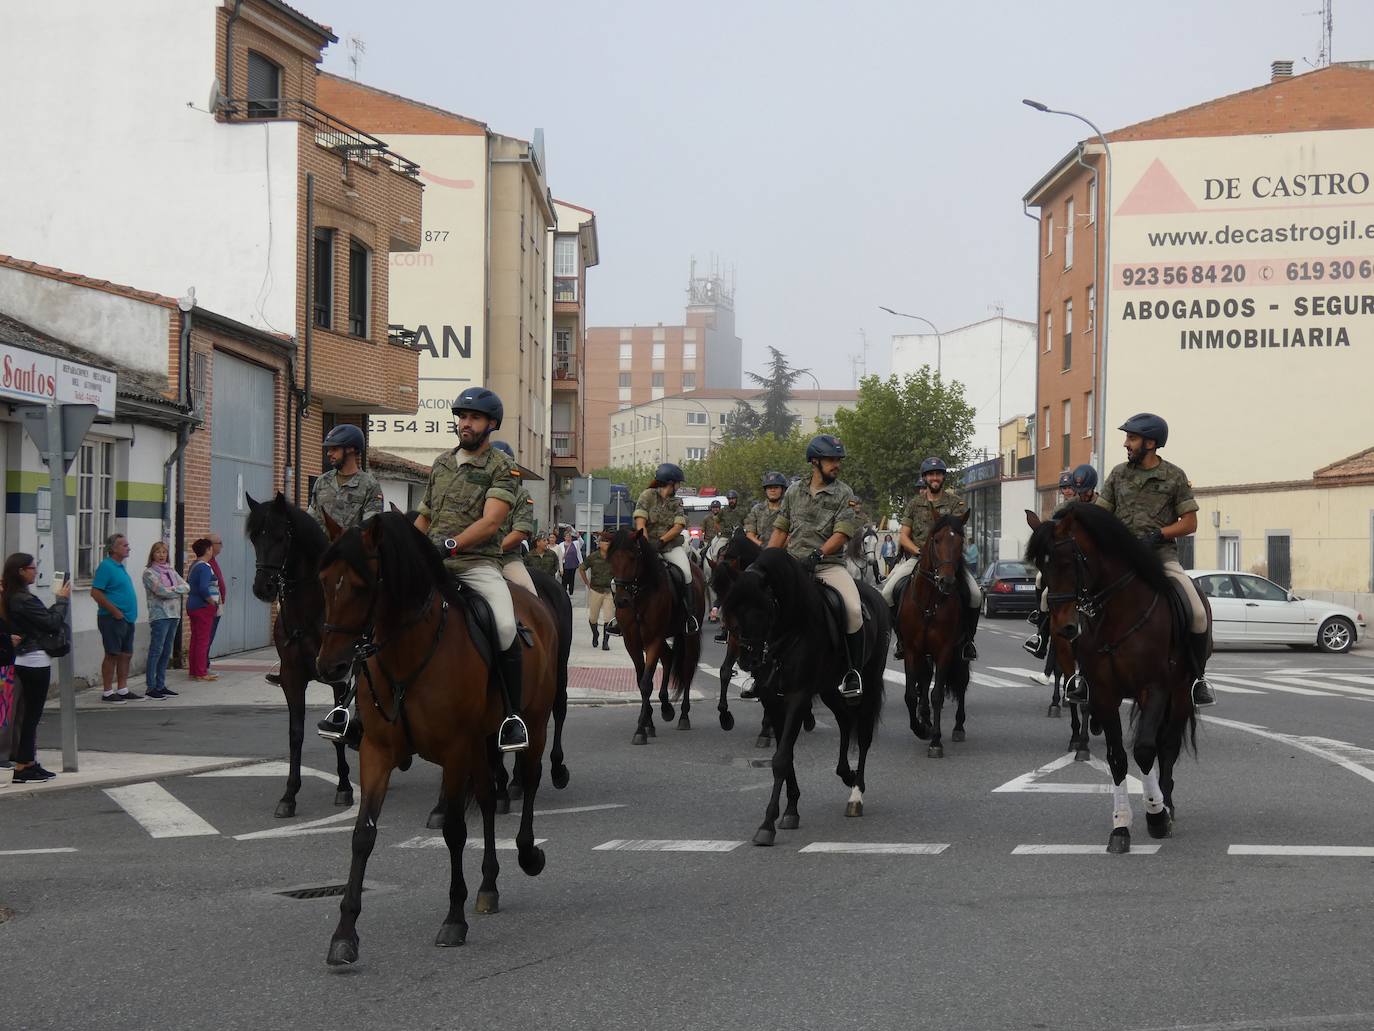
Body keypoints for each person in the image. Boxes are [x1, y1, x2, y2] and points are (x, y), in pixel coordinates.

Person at [412, 386, 528, 751]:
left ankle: (511, 715)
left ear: (491, 424)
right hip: (433, 563)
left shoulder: (501, 468)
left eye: (474, 418)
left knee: (507, 626)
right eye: (462, 417)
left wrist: (452, 544)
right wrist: (413, 549)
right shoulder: (442, 463)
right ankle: (355, 708)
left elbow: (493, 522)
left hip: (476, 564)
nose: (465, 423)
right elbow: (425, 516)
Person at [1094, 413, 1214, 707]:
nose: (1126, 444)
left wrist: (1158, 534)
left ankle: (1198, 678)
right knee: (1079, 604)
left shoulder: (1174, 476)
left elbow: (1189, 523)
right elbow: (1099, 515)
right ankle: (1083, 677)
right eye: (1127, 438)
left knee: (1197, 613)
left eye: (1131, 439)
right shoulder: (1118, 474)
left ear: (1150, 443)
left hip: (1160, 557)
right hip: (1119, 560)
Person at [767, 435, 865, 698]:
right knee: (761, 604)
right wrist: (765, 562)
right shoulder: (793, 492)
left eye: (838, 460)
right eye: (832, 460)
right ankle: (763, 669)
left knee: (854, 611)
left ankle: (851, 672)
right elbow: (780, 530)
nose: (837, 465)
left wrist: (818, 555)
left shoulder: (845, 494)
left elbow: (842, 533)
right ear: (815, 461)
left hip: (827, 566)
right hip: (792, 565)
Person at [880, 457, 982, 661]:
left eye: (938, 474)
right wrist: (917, 551)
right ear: (925, 478)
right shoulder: (914, 504)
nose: (935, 478)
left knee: (975, 595)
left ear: (943, 477)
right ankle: (901, 639)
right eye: (931, 474)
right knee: (887, 593)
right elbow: (904, 535)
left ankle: (968, 641)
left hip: (948, 562)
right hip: (918, 558)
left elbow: (957, 533)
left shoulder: (956, 503)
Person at [5, 553, 70, 781]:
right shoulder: (22, 599)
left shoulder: (12, 596)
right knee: (31, 715)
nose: (36, 571)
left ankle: (28, 762)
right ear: (21, 571)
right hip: (33, 661)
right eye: (33, 568)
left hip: (23, 658)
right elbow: (50, 622)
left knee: (27, 716)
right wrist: (61, 600)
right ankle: (23, 766)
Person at [1025, 465, 1100, 663]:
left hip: (1095, 564)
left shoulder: (1103, 505)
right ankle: (1041, 636)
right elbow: (1054, 536)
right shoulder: (1063, 508)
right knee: (1043, 588)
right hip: (1071, 564)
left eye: (1086, 491)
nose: (1082, 495)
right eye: (1079, 491)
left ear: (1093, 488)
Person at [633, 463, 699, 633]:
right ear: (670, 483)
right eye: (678, 483)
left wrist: (661, 542)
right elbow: (640, 522)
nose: (679, 486)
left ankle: (689, 616)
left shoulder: (677, 501)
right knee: (623, 573)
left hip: (669, 546)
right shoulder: (647, 495)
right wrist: (647, 546)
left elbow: (678, 526)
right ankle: (621, 616)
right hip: (646, 544)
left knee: (686, 573)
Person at [90, 533, 141, 701]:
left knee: (126, 654)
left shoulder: (120, 567)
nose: (128, 548)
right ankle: (107, 691)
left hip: (127, 618)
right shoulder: (106, 566)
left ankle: (123, 688)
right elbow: (96, 592)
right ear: (113, 548)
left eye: (127, 545)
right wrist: (114, 611)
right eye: (124, 545)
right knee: (112, 653)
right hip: (112, 618)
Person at [309, 424, 385, 534]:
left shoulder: (370, 485)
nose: (329, 453)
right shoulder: (322, 481)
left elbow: (370, 527)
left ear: (351, 449)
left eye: (334, 449)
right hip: (322, 550)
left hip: (352, 549)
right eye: (329, 449)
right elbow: (312, 519)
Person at [491, 441, 539, 598]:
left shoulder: (520, 495)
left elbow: (519, 533)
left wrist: (490, 550)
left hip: (506, 559)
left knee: (531, 596)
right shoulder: (472, 489)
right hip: (467, 557)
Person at [142, 541, 189, 699]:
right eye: (158, 552)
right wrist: (176, 590)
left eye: (164, 552)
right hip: (160, 616)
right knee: (156, 650)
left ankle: (161, 685)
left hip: (174, 614)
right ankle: (151, 686)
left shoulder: (170, 571)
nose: (161, 555)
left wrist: (173, 589)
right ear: (152, 554)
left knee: (166, 651)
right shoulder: (149, 573)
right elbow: (161, 591)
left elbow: (186, 586)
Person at [186, 538, 220, 682]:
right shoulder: (205, 567)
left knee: (195, 639)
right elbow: (203, 587)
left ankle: (194, 670)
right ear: (207, 550)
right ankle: (201, 672)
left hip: (192, 605)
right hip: (203, 607)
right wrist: (211, 602)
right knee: (203, 640)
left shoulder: (195, 565)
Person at [580, 531, 615, 649]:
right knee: (593, 618)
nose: (607, 544)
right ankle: (595, 634)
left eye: (609, 542)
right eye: (605, 542)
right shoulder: (593, 556)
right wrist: (587, 583)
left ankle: (605, 641)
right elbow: (582, 568)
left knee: (608, 618)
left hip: (609, 591)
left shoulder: (614, 556)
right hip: (595, 590)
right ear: (599, 544)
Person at [745, 471, 787, 546]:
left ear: (782, 489)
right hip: (759, 547)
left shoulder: (788, 509)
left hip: (781, 550)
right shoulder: (757, 509)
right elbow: (750, 534)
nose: (772, 490)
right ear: (765, 490)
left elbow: (791, 535)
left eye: (776, 487)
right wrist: (761, 545)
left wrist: (773, 548)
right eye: (769, 488)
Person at [206, 532, 227, 670]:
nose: (221, 546)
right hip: (210, 606)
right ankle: (202, 664)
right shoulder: (206, 563)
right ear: (210, 546)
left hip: (217, 605)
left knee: (210, 636)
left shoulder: (213, 561)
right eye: (219, 543)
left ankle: (204, 662)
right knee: (207, 636)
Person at [560, 529, 583, 598]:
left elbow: (582, 542)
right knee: (564, 578)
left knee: (571, 578)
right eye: (567, 536)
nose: (568, 538)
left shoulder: (576, 543)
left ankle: (571, 592)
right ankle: (564, 592)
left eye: (569, 536)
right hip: (564, 564)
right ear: (564, 537)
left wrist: (578, 536)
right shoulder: (561, 545)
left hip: (573, 564)